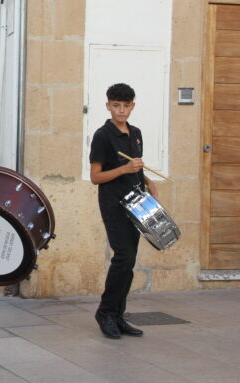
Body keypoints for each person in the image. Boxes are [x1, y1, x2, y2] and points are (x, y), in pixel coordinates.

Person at [89, 83, 155, 339]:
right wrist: (124, 171)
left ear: (132, 107)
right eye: (116, 105)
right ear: (108, 106)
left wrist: (148, 181)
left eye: (126, 106)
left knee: (129, 262)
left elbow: (135, 165)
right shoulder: (102, 135)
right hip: (113, 203)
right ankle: (105, 312)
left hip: (137, 203)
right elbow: (96, 177)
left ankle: (118, 315)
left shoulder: (135, 133)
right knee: (123, 257)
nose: (121, 110)